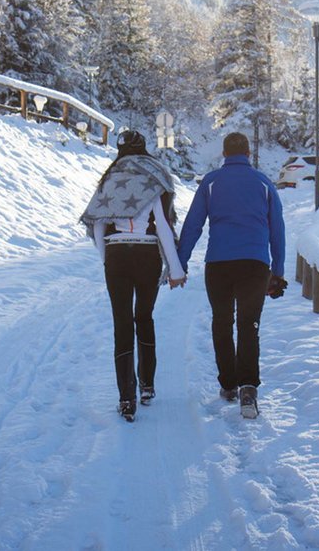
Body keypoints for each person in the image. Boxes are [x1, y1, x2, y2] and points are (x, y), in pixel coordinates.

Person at [177, 132, 286, 419]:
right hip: (255, 264)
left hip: (219, 264)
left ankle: (228, 384)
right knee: (249, 325)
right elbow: (277, 229)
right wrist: (278, 271)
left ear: (224, 154)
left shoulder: (211, 182)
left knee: (222, 322)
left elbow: (193, 225)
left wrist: (180, 262)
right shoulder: (264, 183)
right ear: (248, 153)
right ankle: (248, 389)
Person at [80, 129, 186, 422]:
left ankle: (126, 399)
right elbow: (163, 225)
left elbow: (97, 223)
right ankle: (147, 386)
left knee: (122, 324)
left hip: (117, 255)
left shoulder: (110, 178)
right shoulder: (155, 176)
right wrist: (175, 269)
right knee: (144, 317)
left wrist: (107, 258)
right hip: (147, 254)